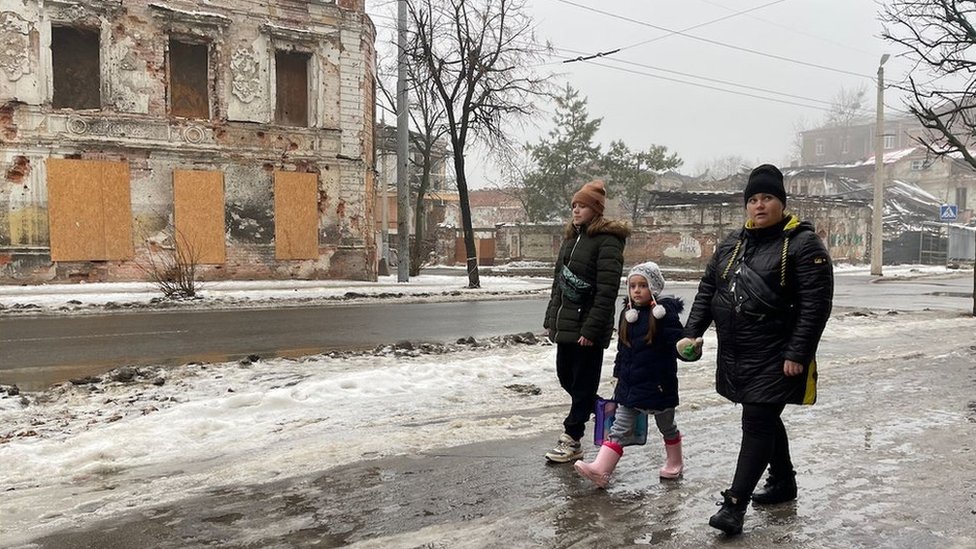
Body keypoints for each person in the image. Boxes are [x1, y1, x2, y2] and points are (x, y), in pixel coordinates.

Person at [678, 164, 834, 535]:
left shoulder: (802, 245)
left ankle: (734, 506)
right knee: (762, 415)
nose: (759, 205)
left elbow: (816, 305)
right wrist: (692, 332)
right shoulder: (733, 243)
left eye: (767, 198)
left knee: (757, 420)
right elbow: (709, 289)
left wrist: (798, 353)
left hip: (777, 353)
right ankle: (782, 481)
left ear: (782, 203)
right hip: (737, 352)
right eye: (753, 199)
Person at [574, 261, 699, 488]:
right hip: (630, 385)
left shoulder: (663, 315)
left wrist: (689, 350)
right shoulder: (627, 314)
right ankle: (601, 470)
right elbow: (623, 349)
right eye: (632, 286)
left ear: (654, 288)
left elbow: (677, 345)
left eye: (643, 285)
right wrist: (618, 375)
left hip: (659, 385)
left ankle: (675, 462)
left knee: (667, 426)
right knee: (619, 428)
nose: (637, 291)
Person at [543, 180, 630, 463]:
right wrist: (551, 320)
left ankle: (572, 438)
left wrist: (591, 329)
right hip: (567, 324)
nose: (576, 210)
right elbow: (558, 284)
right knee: (566, 377)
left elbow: (606, 291)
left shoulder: (608, 241)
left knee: (582, 383)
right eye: (574, 206)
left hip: (588, 328)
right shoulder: (571, 238)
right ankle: (606, 412)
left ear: (596, 209)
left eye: (582, 206)